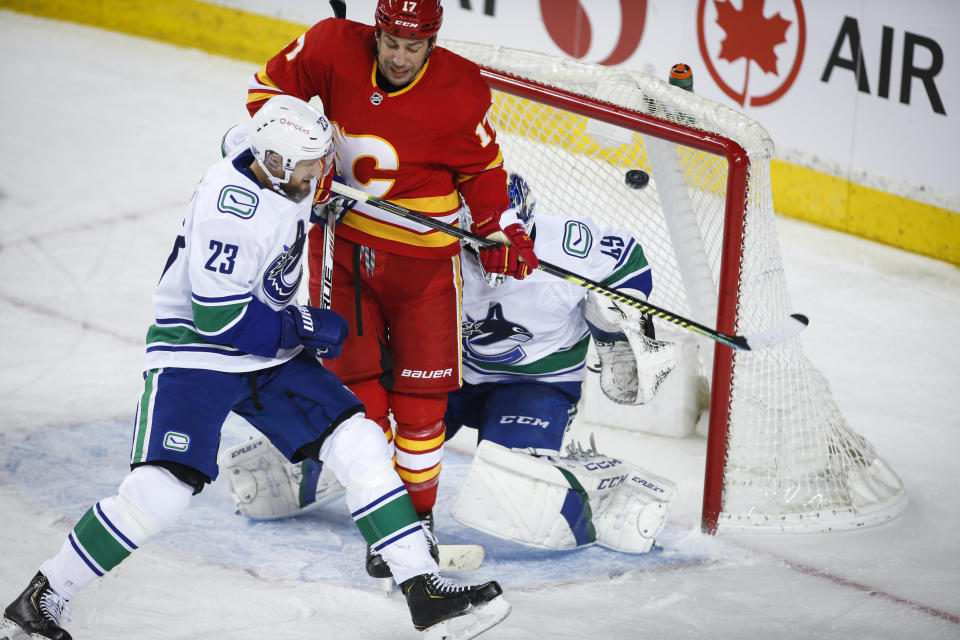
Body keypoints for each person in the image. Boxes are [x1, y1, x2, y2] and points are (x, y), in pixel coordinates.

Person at [0, 95, 509, 640]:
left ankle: (424, 592)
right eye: (311, 167)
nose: (322, 174)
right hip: (197, 352)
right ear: (278, 164)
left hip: (267, 352)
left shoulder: (263, 154)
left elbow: (239, 135)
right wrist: (305, 327)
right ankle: (43, 596)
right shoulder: (231, 213)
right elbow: (219, 322)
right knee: (162, 490)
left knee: (358, 442)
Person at [221, 174, 679, 557]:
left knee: (515, 488)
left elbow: (628, 261)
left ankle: (606, 486)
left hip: (535, 386)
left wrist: (615, 323)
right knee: (370, 448)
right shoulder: (431, 249)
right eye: (475, 239)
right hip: (447, 374)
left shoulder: (566, 246)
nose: (487, 255)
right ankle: (313, 467)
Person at [245, 0, 539, 577]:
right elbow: (264, 99)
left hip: (423, 265)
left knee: (422, 406)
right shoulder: (331, 45)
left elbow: (481, 170)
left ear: (433, 41)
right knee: (357, 396)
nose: (400, 58)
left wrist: (499, 226)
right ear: (376, 32)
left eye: (414, 47)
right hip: (341, 247)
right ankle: (386, 524)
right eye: (390, 43)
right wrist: (310, 153)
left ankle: (418, 523)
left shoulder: (459, 89)